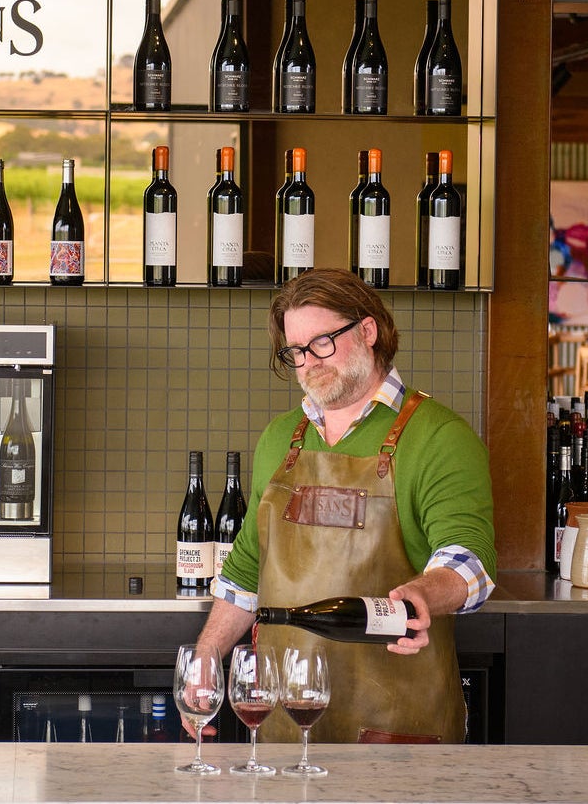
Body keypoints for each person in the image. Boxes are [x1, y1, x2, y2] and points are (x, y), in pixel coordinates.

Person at [192, 268, 495, 744]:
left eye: (322, 342)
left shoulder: (439, 436)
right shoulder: (280, 438)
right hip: (285, 727)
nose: (308, 361)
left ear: (368, 331)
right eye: (295, 351)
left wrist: (421, 596)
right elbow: (247, 569)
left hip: (395, 735)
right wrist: (207, 656)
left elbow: (468, 561)